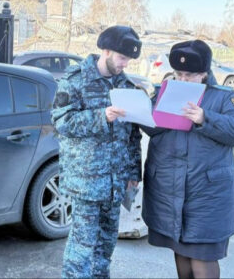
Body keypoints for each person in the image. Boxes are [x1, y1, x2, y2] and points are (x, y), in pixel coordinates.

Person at [142, 40, 234, 279]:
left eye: (189, 75)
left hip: (205, 193)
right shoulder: (164, 92)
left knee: (203, 258)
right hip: (170, 189)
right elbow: (150, 128)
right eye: (178, 74)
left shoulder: (222, 97)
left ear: (204, 74)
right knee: (180, 252)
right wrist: (144, 113)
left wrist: (205, 118)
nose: (182, 80)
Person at [51, 25, 143, 279]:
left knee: (105, 248)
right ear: (106, 51)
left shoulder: (126, 86)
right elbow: (61, 122)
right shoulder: (76, 80)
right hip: (86, 183)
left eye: (129, 59)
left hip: (115, 184)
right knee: (81, 251)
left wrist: (134, 173)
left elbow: (133, 134)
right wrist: (101, 116)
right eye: (122, 57)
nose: (125, 64)